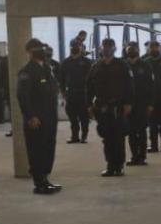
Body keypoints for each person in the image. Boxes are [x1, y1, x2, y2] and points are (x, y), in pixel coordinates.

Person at [17, 39, 62, 194]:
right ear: (29, 52)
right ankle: (39, 183)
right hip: (37, 118)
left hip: (50, 116)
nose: (42, 51)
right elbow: (23, 96)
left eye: (42, 48)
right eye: (37, 49)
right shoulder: (27, 72)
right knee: (37, 150)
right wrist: (30, 116)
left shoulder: (47, 68)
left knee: (48, 148)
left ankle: (45, 179)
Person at [89, 38, 134, 176]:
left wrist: (128, 103)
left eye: (110, 46)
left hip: (118, 106)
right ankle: (110, 165)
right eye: (105, 46)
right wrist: (88, 105)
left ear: (114, 48)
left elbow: (130, 85)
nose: (107, 49)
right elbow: (88, 86)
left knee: (118, 137)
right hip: (102, 107)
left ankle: (119, 166)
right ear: (101, 48)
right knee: (107, 137)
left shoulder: (122, 65)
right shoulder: (96, 66)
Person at [125, 43, 154, 166]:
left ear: (138, 50)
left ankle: (142, 156)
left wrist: (150, 103)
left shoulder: (145, 65)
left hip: (142, 103)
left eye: (133, 49)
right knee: (131, 132)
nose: (131, 51)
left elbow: (151, 85)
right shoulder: (124, 65)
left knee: (141, 131)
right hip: (128, 104)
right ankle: (134, 156)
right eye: (129, 49)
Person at [61, 44, 93, 144]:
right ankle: (74, 136)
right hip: (71, 93)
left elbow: (92, 78)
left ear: (81, 49)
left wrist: (91, 93)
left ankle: (84, 136)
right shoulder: (66, 62)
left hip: (83, 93)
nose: (74, 49)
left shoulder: (87, 62)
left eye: (77, 47)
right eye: (72, 47)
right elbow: (61, 78)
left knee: (84, 116)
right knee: (72, 116)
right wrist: (63, 91)